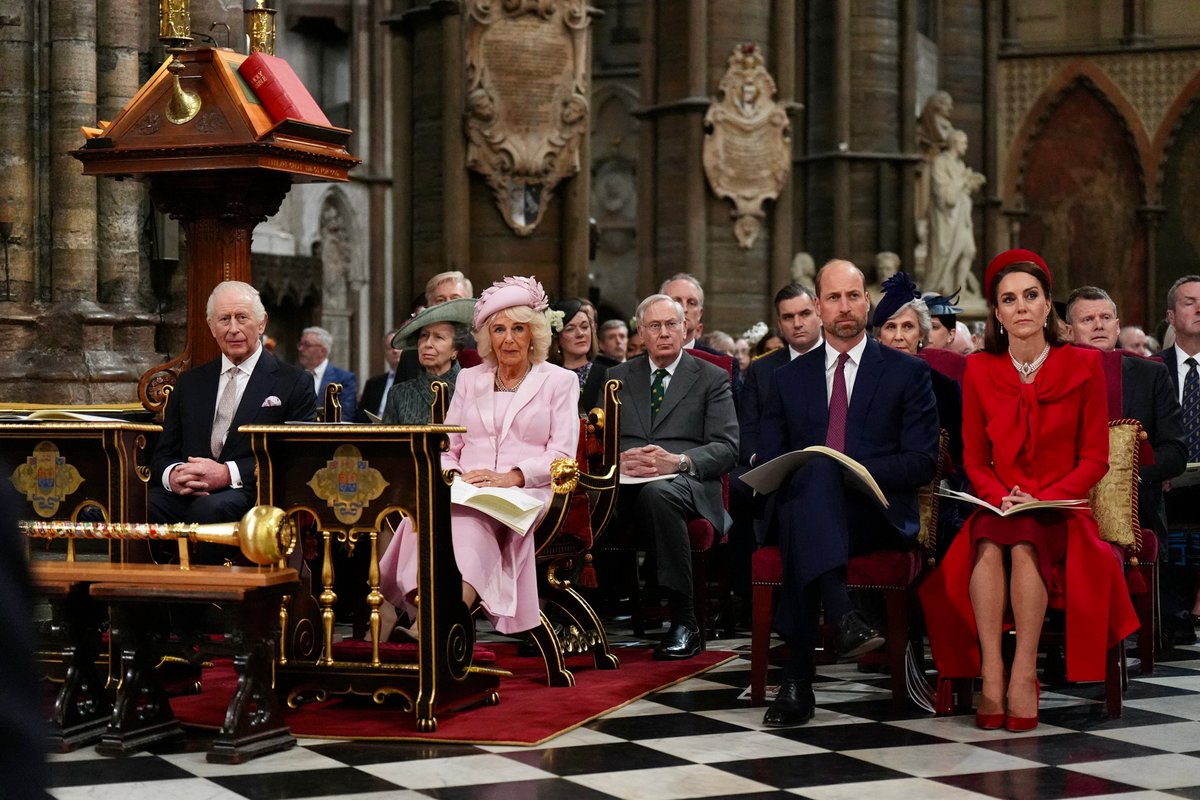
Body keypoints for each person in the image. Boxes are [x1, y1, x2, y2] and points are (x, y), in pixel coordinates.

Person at [921, 250, 1138, 732]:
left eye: (1031, 296)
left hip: (1064, 511)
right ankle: (993, 671)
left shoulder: (1084, 366)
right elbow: (975, 459)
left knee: (1021, 542)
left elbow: (1095, 461)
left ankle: (1017, 675)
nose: (1021, 307)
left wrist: (1042, 498)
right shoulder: (979, 370)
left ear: (1047, 307)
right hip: (999, 505)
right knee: (1001, 537)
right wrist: (1001, 495)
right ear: (996, 312)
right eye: (1009, 299)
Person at [756, 259, 940, 727]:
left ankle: (798, 679)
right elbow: (773, 457)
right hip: (807, 511)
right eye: (834, 297)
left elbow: (921, 462)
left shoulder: (905, 373)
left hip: (873, 514)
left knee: (819, 476)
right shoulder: (787, 379)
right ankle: (844, 614)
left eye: (853, 296)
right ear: (818, 306)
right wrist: (819, 470)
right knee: (811, 480)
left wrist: (850, 471)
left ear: (867, 302)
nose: (844, 306)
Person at [378, 277, 580, 636]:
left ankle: (429, 629)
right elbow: (448, 447)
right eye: (499, 329)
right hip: (467, 487)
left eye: (518, 328)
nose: (508, 338)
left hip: (526, 492)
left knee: (473, 522)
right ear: (487, 338)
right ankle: (419, 620)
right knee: (428, 512)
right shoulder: (471, 379)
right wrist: (454, 477)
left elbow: (562, 455)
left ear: (534, 333)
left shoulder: (559, 381)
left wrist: (512, 476)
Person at [608, 294, 739, 660]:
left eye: (671, 324)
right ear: (641, 332)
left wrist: (677, 462)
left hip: (687, 482)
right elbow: (594, 443)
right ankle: (562, 612)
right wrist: (617, 461)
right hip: (624, 484)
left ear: (686, 329)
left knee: (658, 495)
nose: (664, 333)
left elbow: (728, 448)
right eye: (654, 326)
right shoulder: (617, 378)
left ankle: (685, 621)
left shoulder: (711, 378)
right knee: (568, 492)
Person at [150, 281, 316, 528]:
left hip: (252, 494)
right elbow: (164, 453)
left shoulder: (293, 382)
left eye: (242, 317)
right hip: (188, 492)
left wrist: (227, 473)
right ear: (211, 327)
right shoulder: (190, 382)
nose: (233, 329)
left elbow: (297, 458)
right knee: (135, 503)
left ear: (262, 323)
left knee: (208, 509)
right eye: (224, 320)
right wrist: (173, 475)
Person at [1065, 285, 1186, 553]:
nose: (1099, 326)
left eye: (1106, 318)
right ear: (1069, 331)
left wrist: (1127, 477)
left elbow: (1175, 451)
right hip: (1067, 506)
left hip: (1139, 510)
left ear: (1117, 326)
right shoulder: (1053, 376)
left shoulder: (1151, 374)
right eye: (1088, 320)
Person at [730, 283, 822, 611]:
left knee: (796, 489)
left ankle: (787, 599)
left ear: (818, 312)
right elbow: (747, 428)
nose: (797, 323)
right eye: (788, 317)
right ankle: (747, 593)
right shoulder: (763, 367)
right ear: (779, 324)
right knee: (737, 486)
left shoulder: (836, 360)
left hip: (825, 462)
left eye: (804, 314)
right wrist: (761, 460)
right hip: (770, 461)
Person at [1155, 275, 1200, 632]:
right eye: (1189, 302)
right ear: (1171, 316)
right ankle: (1170, 611)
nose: (1199, 308)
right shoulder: (1152, 369)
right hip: (1168, 479)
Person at [381, 298, 474, 424]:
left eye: (438, 337)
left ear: (455, 350)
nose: (427, 344)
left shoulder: (474, 390)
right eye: (423, 336)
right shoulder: (399, 394)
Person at [926, 129, 986, 297]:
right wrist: (963, 180)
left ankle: (960, 289)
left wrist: (972, 182)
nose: (966, 147)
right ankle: (941, 288)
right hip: (946, 220)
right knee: (945, 253)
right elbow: (945, 195)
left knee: (969, 250)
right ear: (954, 143)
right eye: (963, 143)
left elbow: (961, 192)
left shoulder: (959, 165)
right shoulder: (940, 162)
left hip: (962, 217)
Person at [396, 271, 476, 382]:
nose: (448, 305)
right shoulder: (410, 356)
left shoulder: (482, 349)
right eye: (440, 300)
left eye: (455, 298)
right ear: (429, 306)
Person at [550, 298, 617, 414]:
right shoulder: (546, 375)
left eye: (585, 327)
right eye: (570, 329)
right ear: (557, 338)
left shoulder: (611, 373)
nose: (580, 334)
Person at [298, 326, 358, 422]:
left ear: (323, 351)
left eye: (307, 345)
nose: (300, 349)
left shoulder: (344, 379)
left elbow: (345, 416)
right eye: (300, 344)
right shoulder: (295, 375)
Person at [356, 330, 404, 422]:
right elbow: (361, 418)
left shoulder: (414, 380)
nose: (394, 350)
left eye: (398, 346)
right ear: (384, 353)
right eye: (389, 347)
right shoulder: (373, 384)